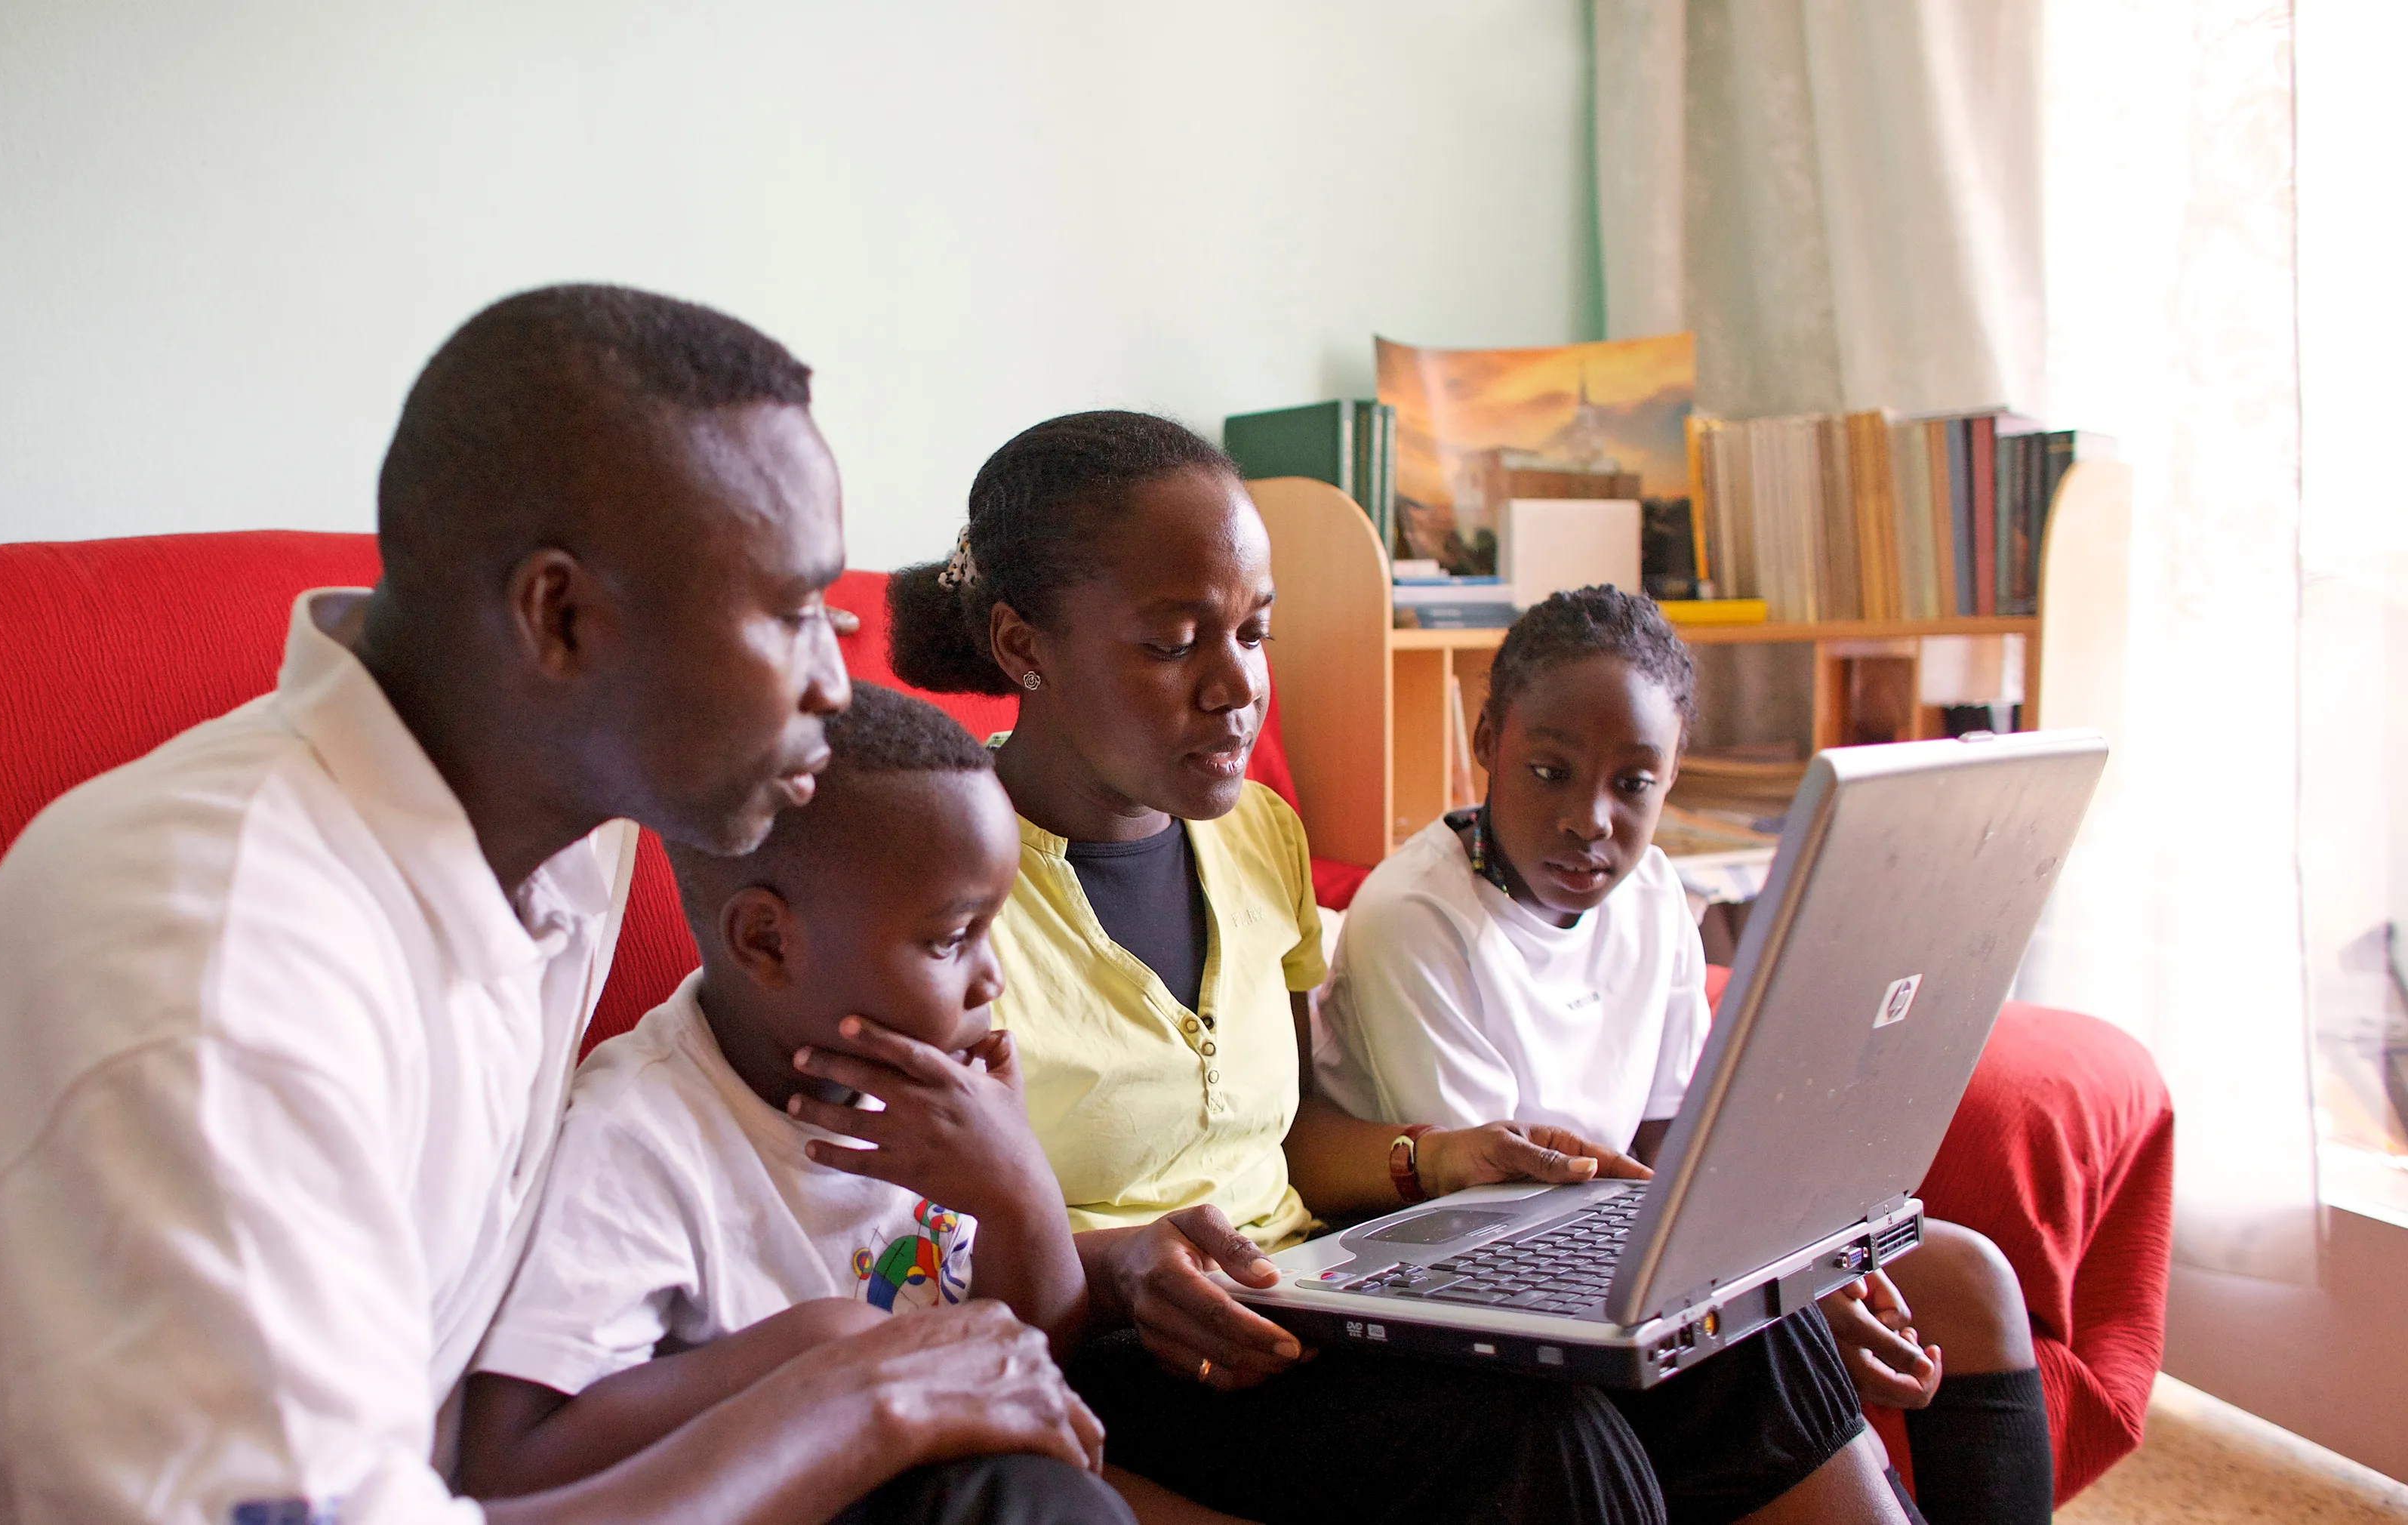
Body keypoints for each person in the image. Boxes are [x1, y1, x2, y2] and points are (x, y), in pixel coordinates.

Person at [0, 286, 1119, 1525]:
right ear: (560, 619)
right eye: (790, 615)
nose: (833, 682)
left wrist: (1089, 1262)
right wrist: (857, 1396)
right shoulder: (219, 962)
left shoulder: (550, 835)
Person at [885, 410, 1914, 1525]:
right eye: (1175, 643)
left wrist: (1441, 1158)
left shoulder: (1256, 835)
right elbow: (886, 1245)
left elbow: (1289, 1135)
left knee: (1733, 1338)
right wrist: (1121, 1260)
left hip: (1301, 1287)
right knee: (1538, 1444)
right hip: (1115, 1343)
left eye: (1254, 631)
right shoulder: (927, 887)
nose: (1237, 684)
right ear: (1022, 645)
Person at [1315, 586, 2055, 1525]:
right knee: (1780, 1344)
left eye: (1633, 784)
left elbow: (1676, 1142)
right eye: (1549, 771)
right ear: (1488, 739)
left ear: (1672, 775)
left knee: (1973, 1280)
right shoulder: (1414, 920)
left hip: (1619, 1242)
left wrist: (1798, 1267)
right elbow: (1496, 1210)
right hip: (1478, 1274)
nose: (1591, 819)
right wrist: (1777, 1299)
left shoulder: (1653, 893)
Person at [456, 682, 1095, 1502]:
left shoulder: (937, 1108)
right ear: (765, 941)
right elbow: (507, 1462)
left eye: (990, 929)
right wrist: (825, 1348)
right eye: (949, 939)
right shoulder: (637, 1135)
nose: (992, 978)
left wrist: (1020, 1194)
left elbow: (1034, 1376)